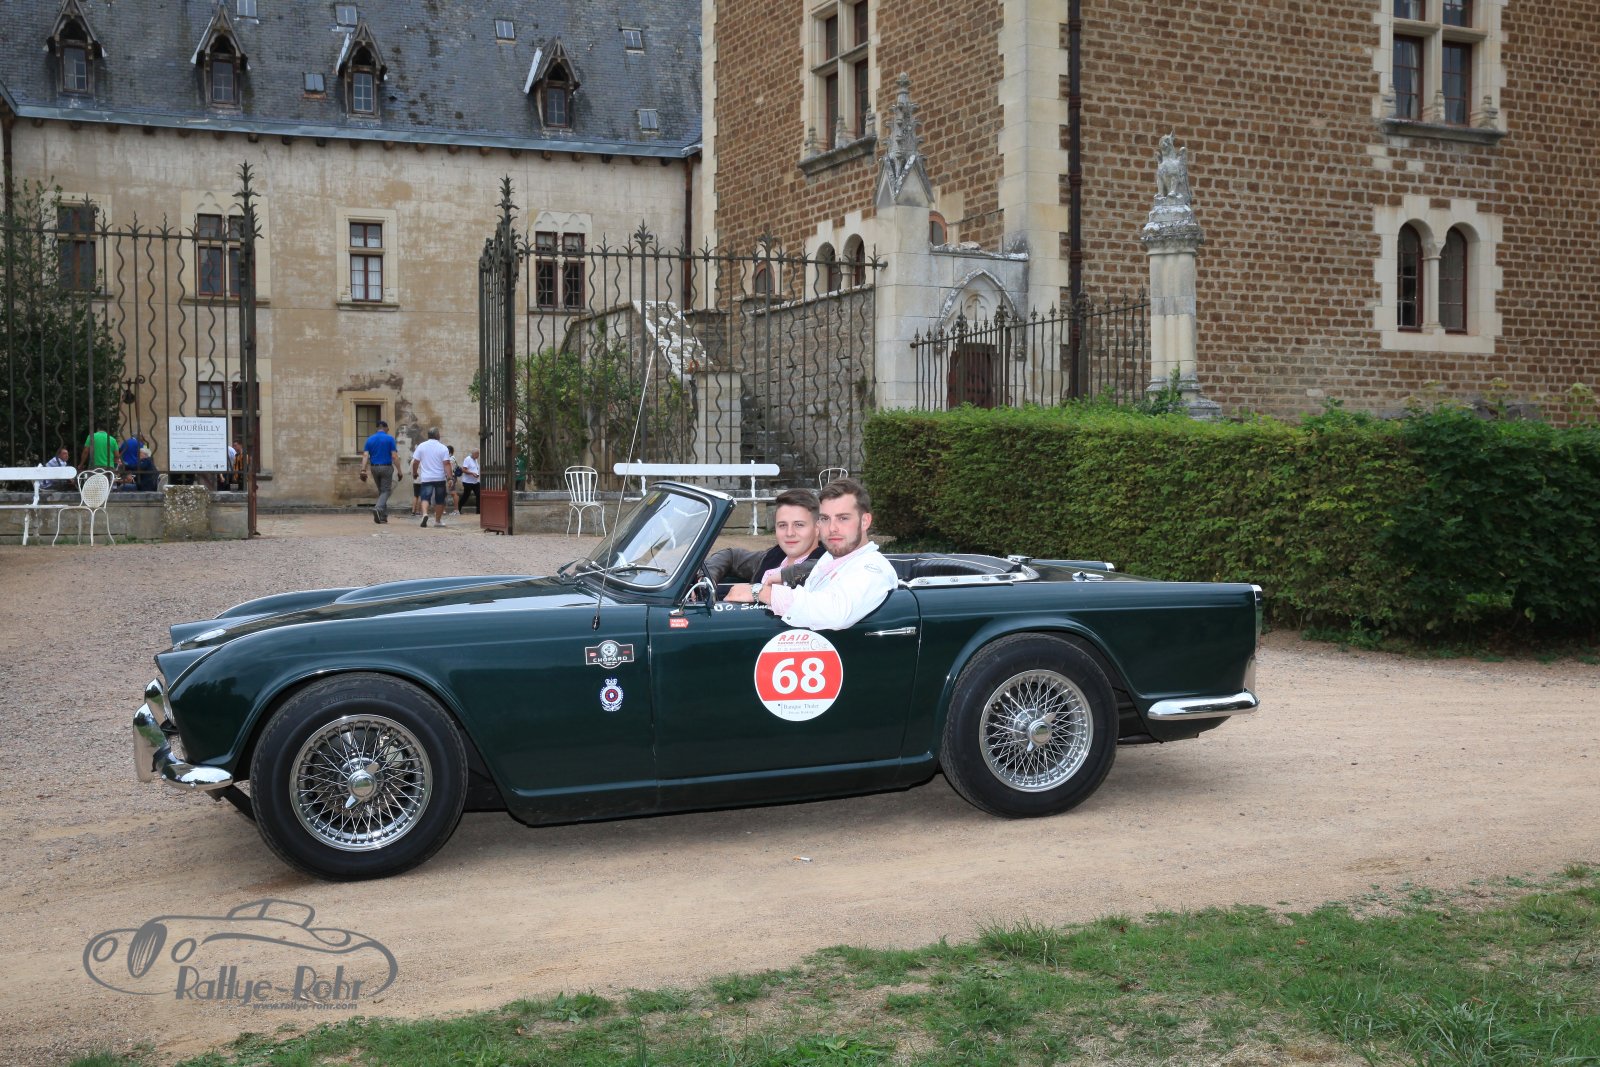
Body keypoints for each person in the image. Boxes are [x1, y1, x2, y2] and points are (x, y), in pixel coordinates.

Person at [723, 477, 896, 630]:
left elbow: (834, 612)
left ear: (865, 521)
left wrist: (760, 592)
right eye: (825, 518)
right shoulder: (832, 559)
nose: (832, 528)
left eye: (843, 518)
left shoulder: (871, 568)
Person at [703, 487, 824, 589]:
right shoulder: (771, 557)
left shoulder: (827, 567)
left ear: (817, 528)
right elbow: (732, 556)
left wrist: (757, 592)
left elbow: (822, 569)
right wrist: (707, 579)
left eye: (799, 525)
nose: (789, 533)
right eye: (782, 525)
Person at [360, 418, 402, 524]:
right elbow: (394, 456)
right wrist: (399, 471)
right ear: (385, 428)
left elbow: (365, 455)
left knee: (382, 491)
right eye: (388, 429)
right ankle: (378, 508)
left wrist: (363, 470)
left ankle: (383, 516)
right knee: (386, 491)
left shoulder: (370, 439)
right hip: (386, 467)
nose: (388, 430)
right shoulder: (390, 439)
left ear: (377, 428)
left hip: (374, 468)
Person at [411, 427, 452, 528]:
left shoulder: (421, 446)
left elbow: (415, 462)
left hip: (426, 478)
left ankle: (425, 514)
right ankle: (437, 521)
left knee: (425, 497)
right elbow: (447, 463)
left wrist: (415, 473)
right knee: (439, 500)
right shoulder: (443, 448)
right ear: (437, 435)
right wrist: (450, 478)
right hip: (439, 478)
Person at [458, 448, 481, 514]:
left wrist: (476, 474)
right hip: (467, 482)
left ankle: (478, 511)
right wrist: (472, 473)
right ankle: (458, 508)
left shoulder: (475, 460)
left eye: (478, 454)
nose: (478, 455)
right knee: (466, 496)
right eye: (477, 454)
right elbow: (463, 470)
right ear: (473, 454)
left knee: (479, 495)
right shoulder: (468, 459)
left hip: (475, 482)